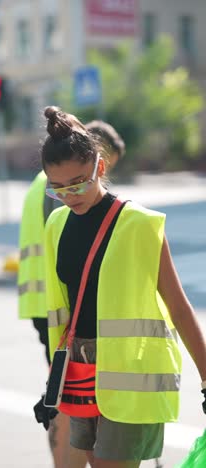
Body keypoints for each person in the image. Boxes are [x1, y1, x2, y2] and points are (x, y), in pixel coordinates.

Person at [40, 105, 206, 468]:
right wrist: (53, 381)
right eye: (59, 188)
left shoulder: (139, 225)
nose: (71, 195)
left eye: (80, 182)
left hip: (132, 375)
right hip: (80, 375)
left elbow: (178, 306)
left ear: (100, 167)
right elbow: (65, 310)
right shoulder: (55, 224)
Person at [18, 119, 125, 468]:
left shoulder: (46, 181)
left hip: (48, 306)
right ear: (98, 156)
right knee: (64, 398)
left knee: (62, 395)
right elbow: (72, 246)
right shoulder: (62, 190)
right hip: (63, 311)